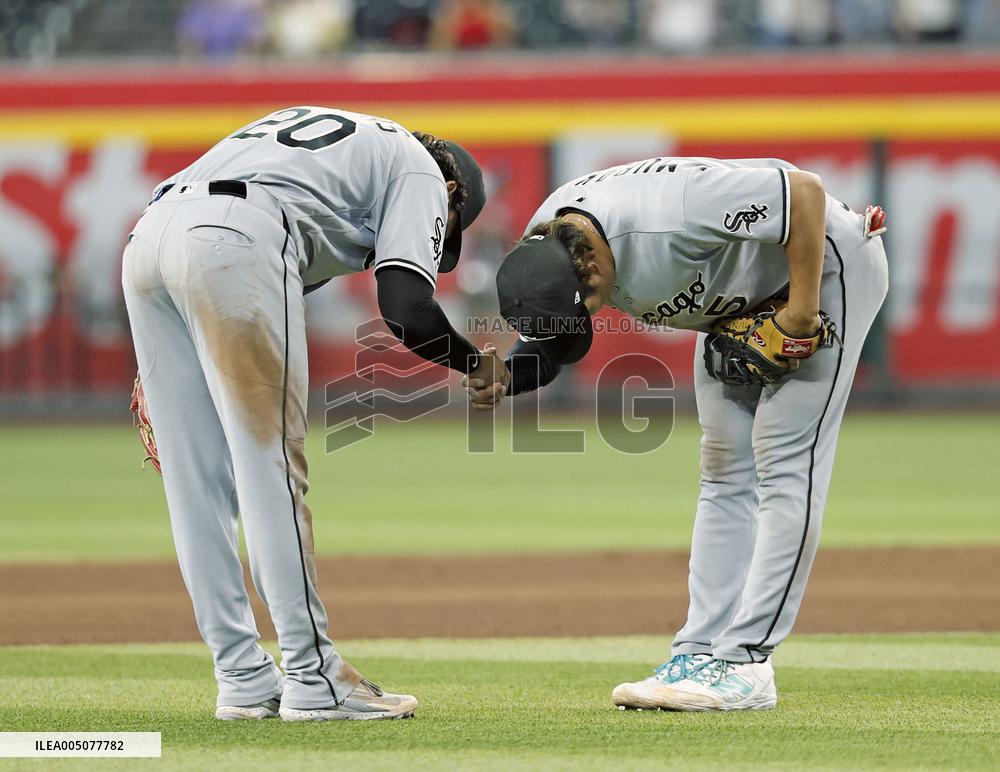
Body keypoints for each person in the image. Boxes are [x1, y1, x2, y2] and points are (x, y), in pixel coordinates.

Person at [123, 107, 507, 721]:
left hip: (150, 239)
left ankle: (244, 678)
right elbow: (407, 307)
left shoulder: (339, 155)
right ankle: (313, 677)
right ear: (453, 191)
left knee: (196, 485)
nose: (437, 236)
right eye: (447, 227)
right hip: (237, 232)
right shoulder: (423, 171)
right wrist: (474, 362)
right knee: (269, 466)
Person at [471, 156, 887, 711]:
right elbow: (551, 344)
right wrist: (509, 376)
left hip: (824, 270)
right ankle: (699, 653)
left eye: (588, 309)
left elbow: (802, 192)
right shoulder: (547, 247)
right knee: (721, 469)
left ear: (592, 268)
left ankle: (746, 663)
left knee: (785, 461)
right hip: (734, 301)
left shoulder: (670, 212)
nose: (589, 318)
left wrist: (803, 314)